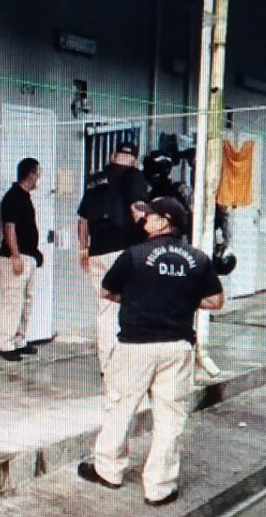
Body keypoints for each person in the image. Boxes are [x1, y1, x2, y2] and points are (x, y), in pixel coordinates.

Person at [77, 196, 224, 506]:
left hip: (136, 345)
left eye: (150, 216)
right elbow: (215, 301)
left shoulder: (133, 255)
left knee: (121, 407)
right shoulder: (198, 258)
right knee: (170, 417)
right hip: (177, 346)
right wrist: (180, 300)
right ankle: (159, 488)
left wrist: (139, 298)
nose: (144, 221)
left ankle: (109, 471)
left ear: (164, 221)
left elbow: (107, 290)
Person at [77, 141, 148, 372]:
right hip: (123, 250)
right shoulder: (133, 175)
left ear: (112, 155)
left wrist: (83, 249)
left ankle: (106, 363)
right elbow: (137, 209)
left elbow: (83, 219)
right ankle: (123, 363)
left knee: (105, 309)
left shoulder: (95, 180)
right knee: (129, 306)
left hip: (97, 251)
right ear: (135, 159)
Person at [0, 157, 44, 362]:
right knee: (12, 301)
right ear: (30, 174)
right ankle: (4, 344)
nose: (39, 179)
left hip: (28, 256)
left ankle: (19, 339)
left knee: (26, 300)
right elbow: (9, 228)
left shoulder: (24, 197)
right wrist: (15, 255)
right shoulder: (13, 197)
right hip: (15, 257)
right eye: (38, 174)